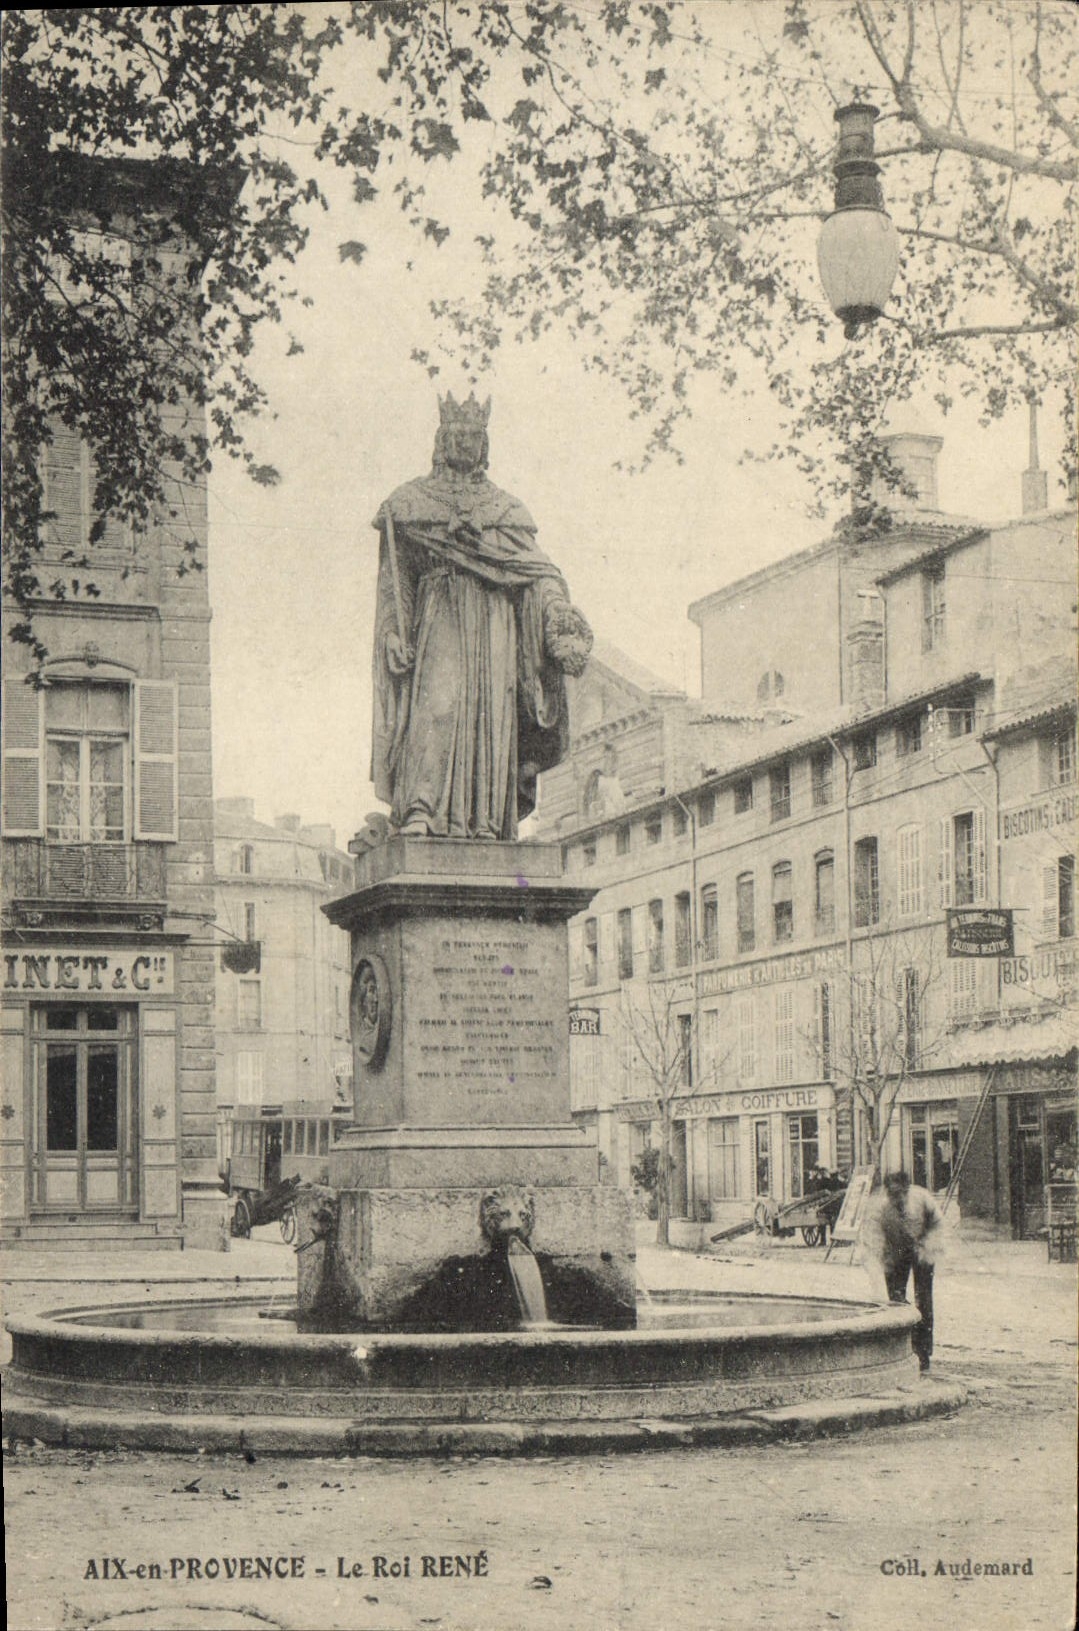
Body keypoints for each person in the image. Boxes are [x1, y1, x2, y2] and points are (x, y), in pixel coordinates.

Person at [370, 392, 591, 839]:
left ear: (484, 443)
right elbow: (397, 582)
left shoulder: (506, 510)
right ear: (441, 439)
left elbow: (538, 573)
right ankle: (421, 809)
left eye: (474, 435)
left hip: (496, 624)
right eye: (457, 434)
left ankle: (487, 821)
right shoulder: (410, 502)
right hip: (440, 616)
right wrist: (393, 631)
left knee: (492, 719)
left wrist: (557, 614)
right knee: (437, 706)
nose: (465, 443)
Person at [862, 1168, 943, 1373]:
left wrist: (927, 1246)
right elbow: (874, 1239)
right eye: (891, 1194)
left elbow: (937, 1224)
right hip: (897, 1250)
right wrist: (881, 1264)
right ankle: (901, 1348)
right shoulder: (880, 1208)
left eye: (899, 1193)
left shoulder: (922, 1198)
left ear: (907, 1189)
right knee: (895, 1298)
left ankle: (923, 1352)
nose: (895, 1198)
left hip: (923, 1247)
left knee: (923, 1298)